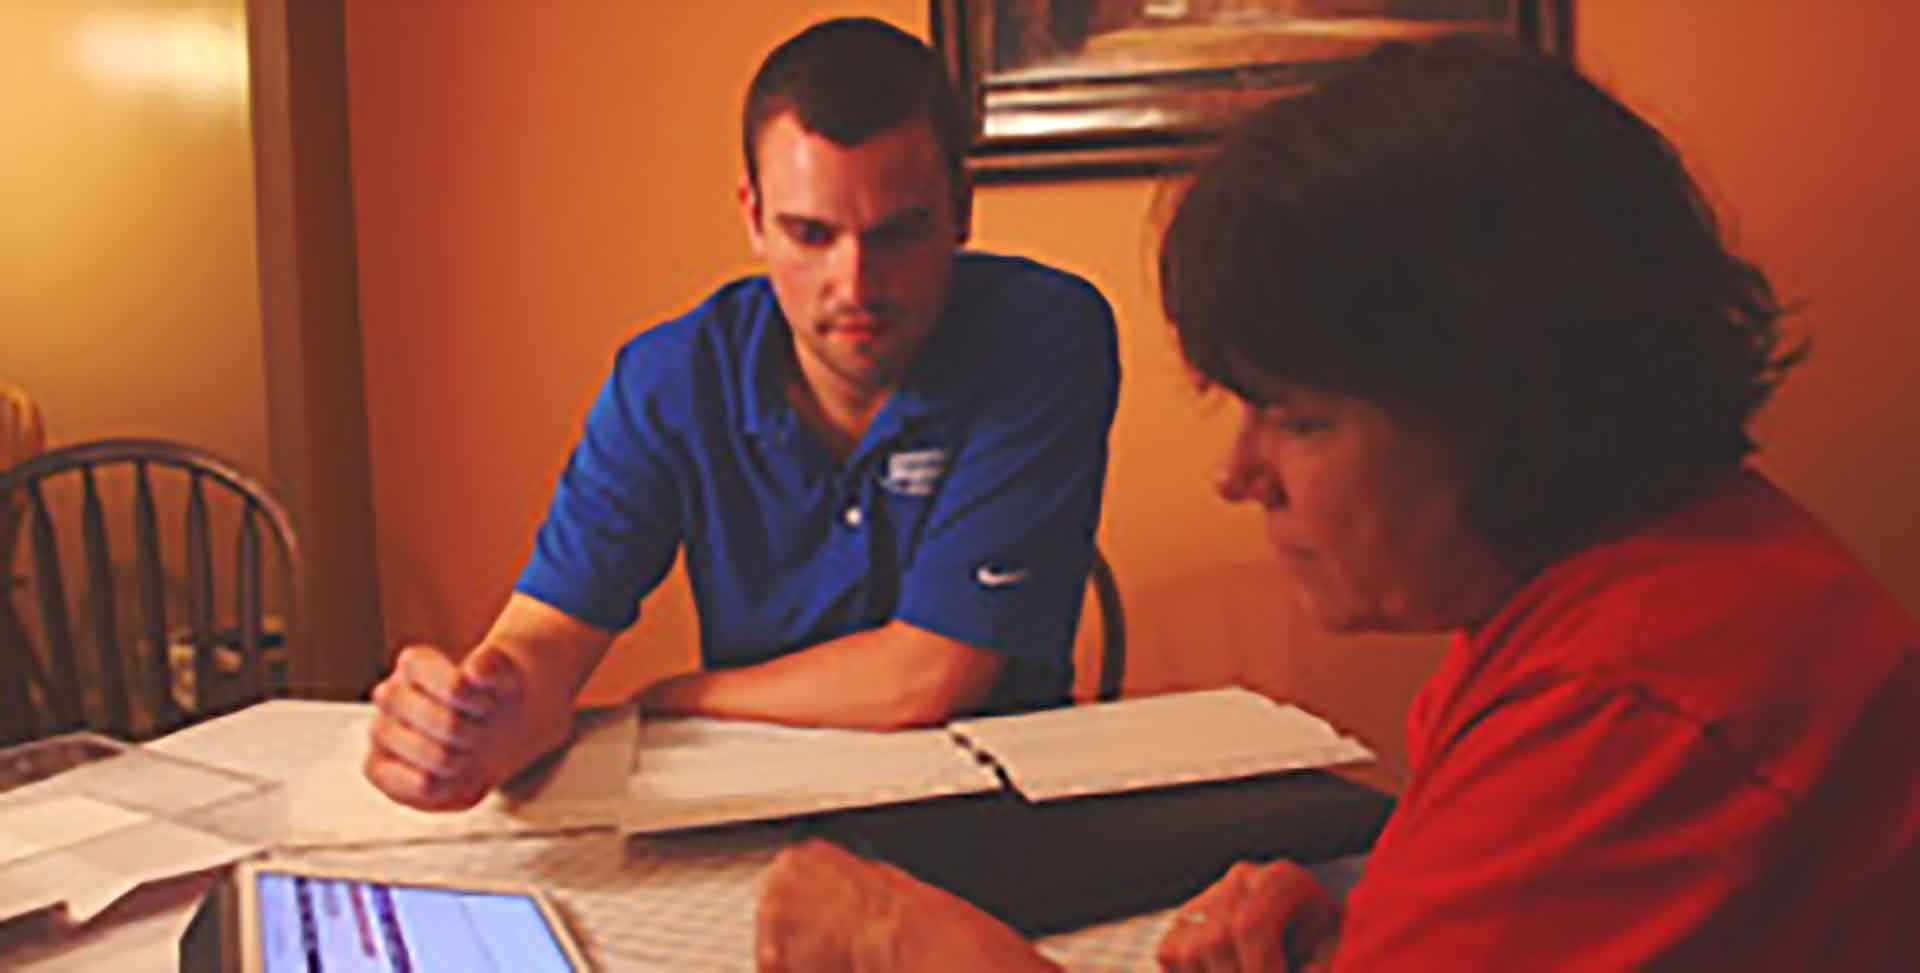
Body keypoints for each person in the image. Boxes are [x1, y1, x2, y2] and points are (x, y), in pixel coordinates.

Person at [754, 36, 1920, 972]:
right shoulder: (1637, 589)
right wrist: (1368, 916)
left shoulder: (1638, 709)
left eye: (1298, 418)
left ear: (1507, 401)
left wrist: (918, 944)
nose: (1239, 473)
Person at [362, 18, 1120, 812]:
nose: (855, 283)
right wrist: (475, 719)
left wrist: (675, 699)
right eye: (810, 234)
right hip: (761, 807)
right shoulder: (670, 378)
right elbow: (544, 640)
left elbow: (928, 677)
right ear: (753, 215)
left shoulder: (1046, 333)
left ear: (960, 210)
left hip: (996, 813)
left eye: (896, 233)